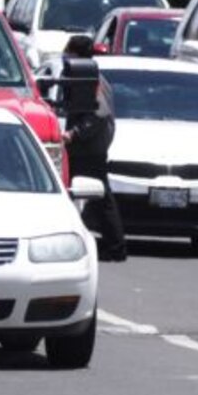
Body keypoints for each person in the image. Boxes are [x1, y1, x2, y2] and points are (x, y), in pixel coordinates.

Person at [61, 34, 126, 261]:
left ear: (76, 54)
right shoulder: (84, 76)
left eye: (68, 52)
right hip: (85, 147)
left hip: (89, 148)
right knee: (95, 196)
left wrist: (74, 134)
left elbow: (99, 114)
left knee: (100, 197)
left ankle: (116, 247)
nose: (64, 56)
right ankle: (112, 245)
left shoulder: (92, 79)